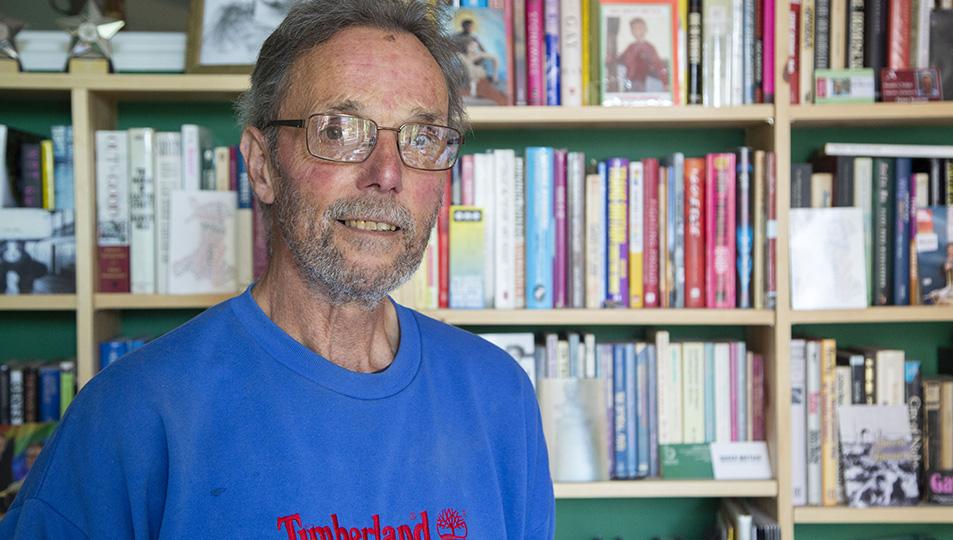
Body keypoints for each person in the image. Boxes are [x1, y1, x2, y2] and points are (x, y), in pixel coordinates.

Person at [0, 1, 555, 538]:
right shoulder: (129, 417)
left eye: (422, 137)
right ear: (262, 166)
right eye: (339, 130)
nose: (387, 174)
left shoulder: (498, 397)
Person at [616, 17, 669, 92]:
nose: (637, 31)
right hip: (628, 79)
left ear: (645, 30)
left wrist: (665, 82)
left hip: (642, 81)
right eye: (634, 28)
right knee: (627, 92)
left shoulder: (648, 47)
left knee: (639, 95)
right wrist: (617, 57)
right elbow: (622, 59)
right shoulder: (631, 46)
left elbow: (658, 65)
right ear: (631, 31)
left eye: (640, 28)